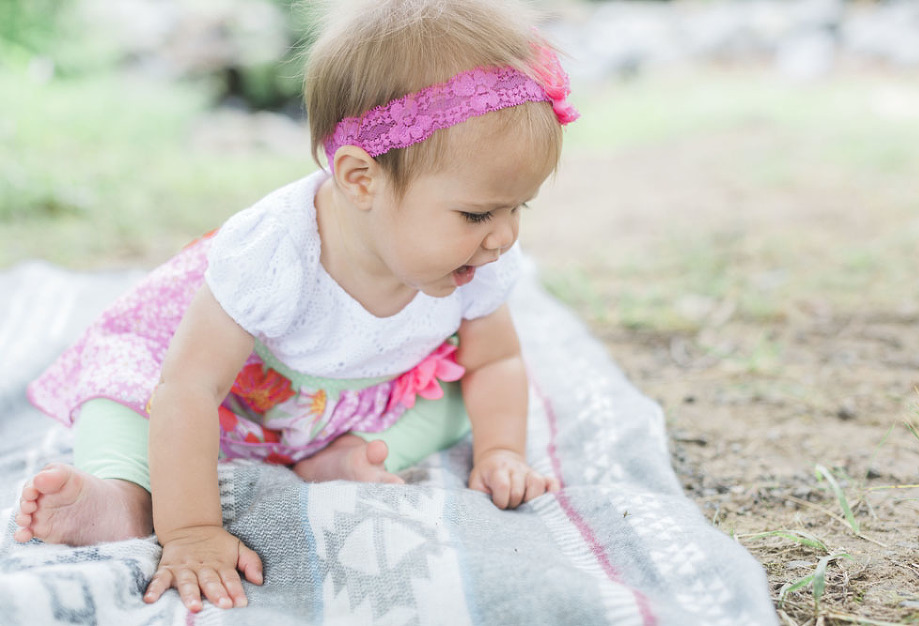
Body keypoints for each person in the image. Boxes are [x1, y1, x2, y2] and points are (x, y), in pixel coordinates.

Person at [13, 0, 579, 613]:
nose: (503, 237)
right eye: (478, 214)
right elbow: (188, 389)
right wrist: (194, 531)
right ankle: (125, 493)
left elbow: (495, 362)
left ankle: (337, 454)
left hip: (347, 398)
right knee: (120, 394)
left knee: (459, 399)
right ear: (361, 179)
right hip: (225, 399)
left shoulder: (477, 259)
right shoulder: (274, 255)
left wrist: (500, 452)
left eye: (517, 208)